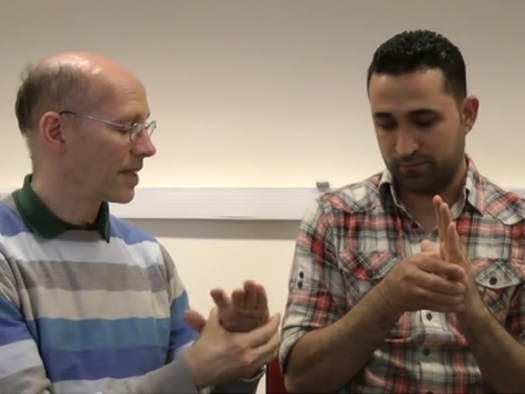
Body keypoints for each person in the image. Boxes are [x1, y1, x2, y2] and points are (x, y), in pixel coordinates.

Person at [0, 52, 280, 394]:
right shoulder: (6, 256)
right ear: (57, 131)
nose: (148, 147)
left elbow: (193, 386)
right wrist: (191, 373)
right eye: (127, 128)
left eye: (145, 127)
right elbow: (183, 380)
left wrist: (236, 363)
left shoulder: (147, 256)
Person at [279, 29, 525, 394]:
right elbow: (300, 380)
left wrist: (471, 311)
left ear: (467, 115)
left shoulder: (518, 226)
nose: (403, 146)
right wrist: (387, 299)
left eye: (424, 121)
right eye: (385, 123)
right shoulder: (333, 219)